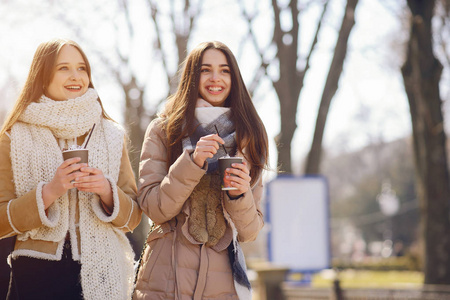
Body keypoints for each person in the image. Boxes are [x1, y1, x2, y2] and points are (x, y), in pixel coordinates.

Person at [0, 38, 142, 300]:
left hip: (102, 271)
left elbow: (133, 218)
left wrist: (107, 192)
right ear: (42, 77)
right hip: (36, 275)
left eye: (82, 68)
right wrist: (49, 192)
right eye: (63, 68)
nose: (76, 76)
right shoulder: (13, 136)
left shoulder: (112, 134)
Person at [133, 41, 269, 300]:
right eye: (206, 70)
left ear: (234, 78)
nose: (215, 78)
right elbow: (153, 208)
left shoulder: (249, 135)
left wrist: (240, 195)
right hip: (165, 278)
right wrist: (192, 163)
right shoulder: (164, 129)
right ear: (192, 76)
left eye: (225, 70)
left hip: (223, 282)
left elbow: (250, 231)